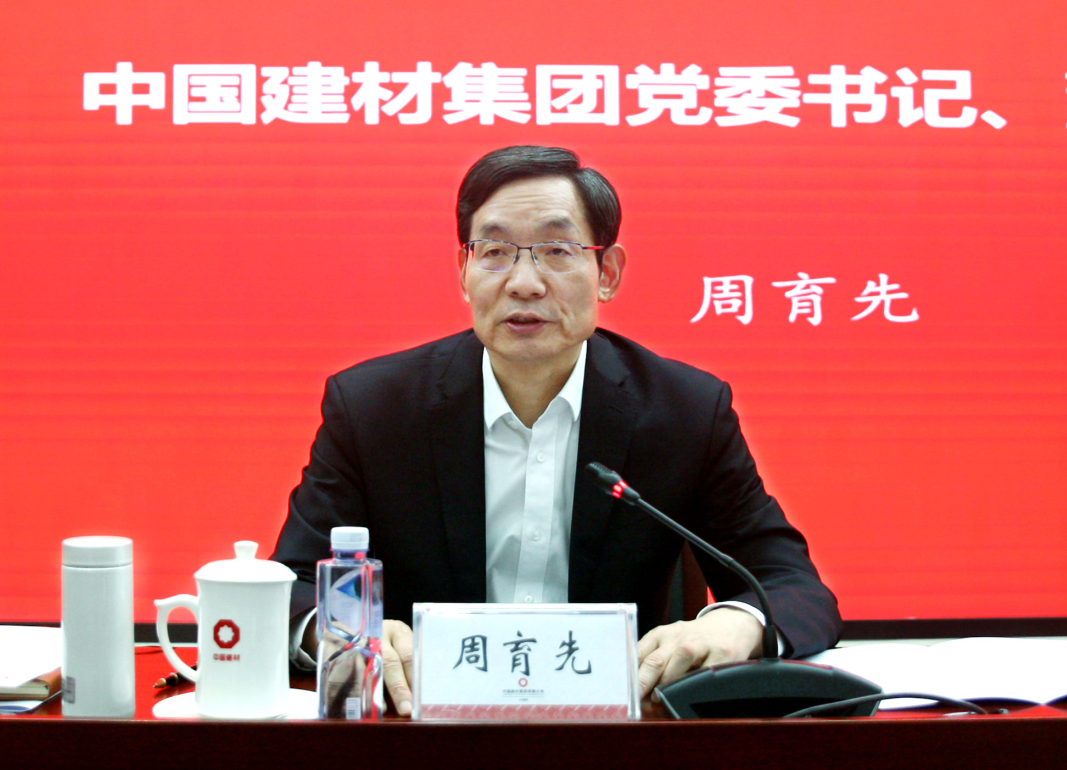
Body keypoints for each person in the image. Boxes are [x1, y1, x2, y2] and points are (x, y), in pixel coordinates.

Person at [271, 145, 841, 716]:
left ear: (607, 273)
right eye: (495, 252)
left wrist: (737, 624)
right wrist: (343, 628)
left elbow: (790, 586)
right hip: (421, 733)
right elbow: (291, 587)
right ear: (464, 272)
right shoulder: (374, 409)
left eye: (557, 252)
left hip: (616, 738)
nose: (524, 283)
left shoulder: (683, 411)